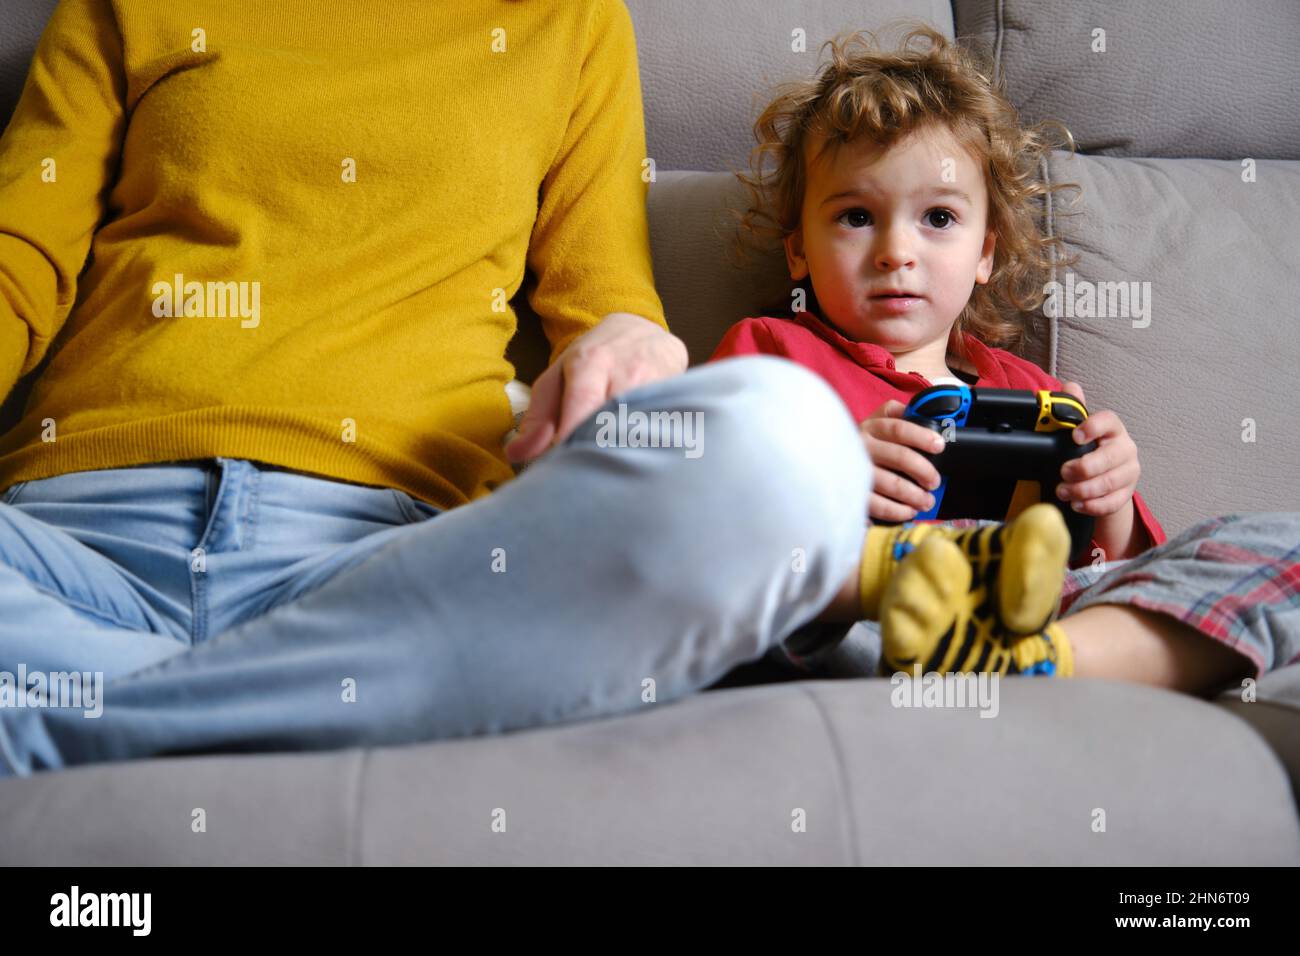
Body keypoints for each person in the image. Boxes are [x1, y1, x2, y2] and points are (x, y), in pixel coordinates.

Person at [710, 26, 1297, 689]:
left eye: (937, 219)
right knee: (745, 573)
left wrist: (1110, 498)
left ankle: (1038, 662)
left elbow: (1110, 565)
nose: (896, 252)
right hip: (863, 617)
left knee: (1283, 547)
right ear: (798, 254)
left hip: (1035, 614)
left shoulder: (1031, 389)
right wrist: (830, 472)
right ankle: (1011, 659)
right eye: (855, 217)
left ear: (984, 253)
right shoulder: (773, 348)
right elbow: (699, 506)